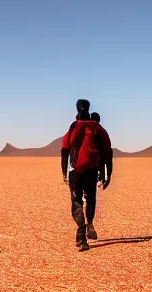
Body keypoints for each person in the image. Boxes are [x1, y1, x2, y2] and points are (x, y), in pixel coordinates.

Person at [61, 99, 113, 251]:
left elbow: (64, 150)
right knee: (90, 199)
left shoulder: (73, 127)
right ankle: (88, 225)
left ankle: (81, 235)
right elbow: (107, 152)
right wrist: (107, 174)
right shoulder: (96, 128)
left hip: (75, 172)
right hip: (91, 171)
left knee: (76, 202)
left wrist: (64, 172)